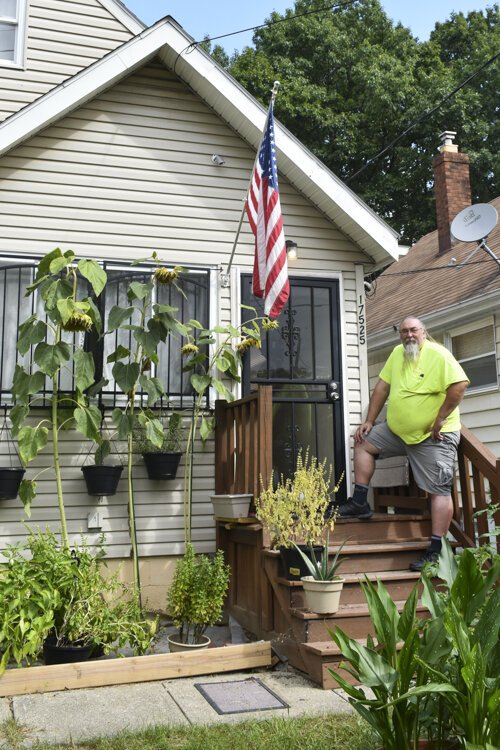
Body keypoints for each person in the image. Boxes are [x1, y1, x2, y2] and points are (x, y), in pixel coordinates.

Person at [338, 316, 469, 572]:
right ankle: (360, 503)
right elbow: (382, 389)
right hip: (398, 432)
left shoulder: (438, 354)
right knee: (363, 443)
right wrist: (370, 421)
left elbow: (460, 385)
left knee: (439, 490)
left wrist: (440, 418)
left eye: (413, 330)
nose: (408, 335)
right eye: (404, 331)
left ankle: (436, 551)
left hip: (432, 437)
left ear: (423, 331)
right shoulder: (398, 353)